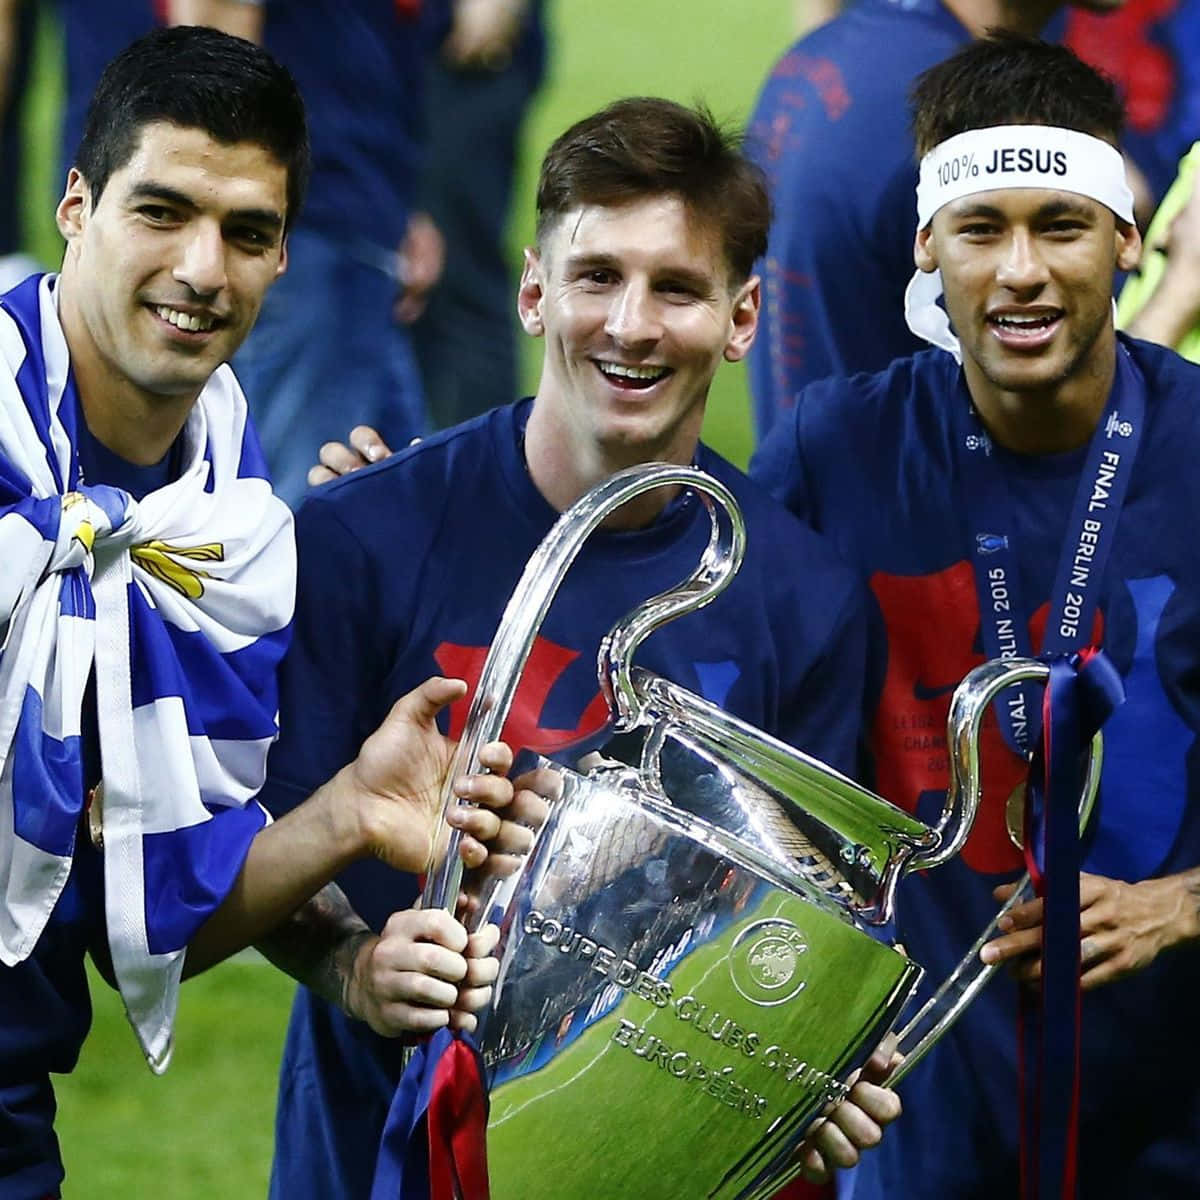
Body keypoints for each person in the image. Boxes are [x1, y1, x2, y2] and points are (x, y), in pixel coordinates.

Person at [285, 97, 900, 1198]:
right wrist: (352, 971)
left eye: (677, 288)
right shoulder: (360, 531)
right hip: (364, 1147)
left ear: (743, 316)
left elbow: (790, 936)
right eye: (596, 275)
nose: (630, 324)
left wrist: (822, 1071)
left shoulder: (808, 603)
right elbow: (258, 857)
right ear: (532, 291)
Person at [0, 27, 516, 1198]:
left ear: (286, 257)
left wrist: (348, 812)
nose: (202, 268)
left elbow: (149, 910)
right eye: (161, 211)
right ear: (76, 205)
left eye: (247, 232)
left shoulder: (224, 530)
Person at [753, 32, 1200, 1197]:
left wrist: (1183, 905)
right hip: (919, 1102)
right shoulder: (835, 447)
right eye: (981, 229)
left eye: (1060, 226)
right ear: (924, 248)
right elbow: (715, 684)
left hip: (1174, 1095)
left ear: (1125, 241)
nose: (1020, 274)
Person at [743, 0, 1124, 439]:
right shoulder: (964, 120)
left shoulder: (823, 55)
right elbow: (1074, 419)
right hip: (914, 500)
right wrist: (1183, 283)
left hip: (813, 490)